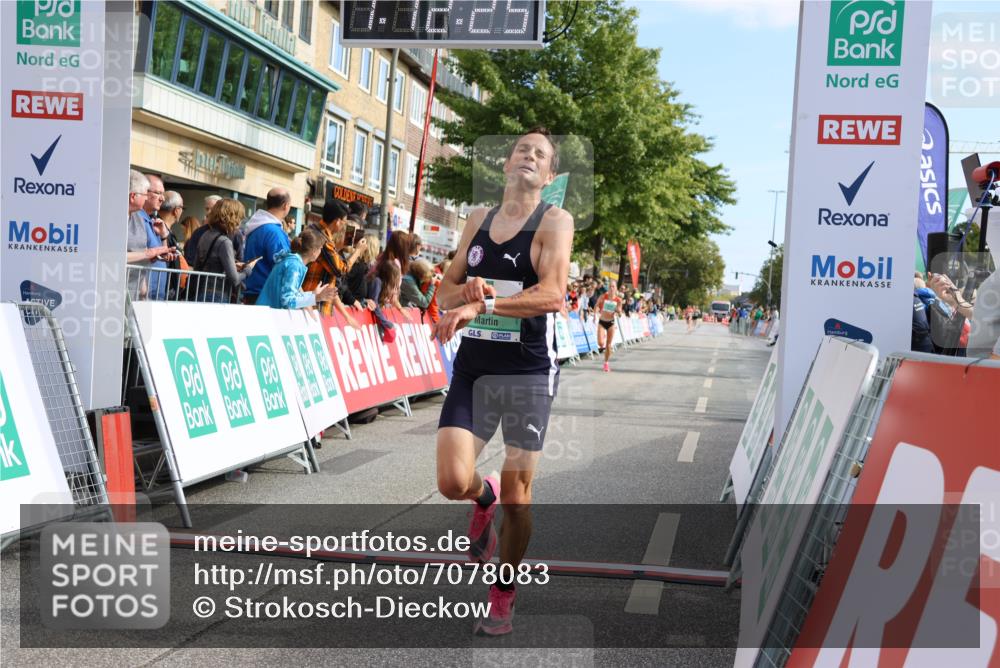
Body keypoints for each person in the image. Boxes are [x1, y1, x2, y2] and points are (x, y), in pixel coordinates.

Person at [431, 127, 574, 636]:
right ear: (507, 162)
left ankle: (503, 591)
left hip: (528, 371)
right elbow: (445, 294)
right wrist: (464, 291)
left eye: (540, 154)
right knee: (451, 483)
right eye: (521, 150)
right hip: (475, 368)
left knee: (520, 496)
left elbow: (554, 295)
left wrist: (484, 303)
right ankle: (480, 496)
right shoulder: (479, 219)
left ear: (549, 175)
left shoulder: (555, 221)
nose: (529, 157)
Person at [301, 200, 364, 326]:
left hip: (313, 304)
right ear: (337, 221)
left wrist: (347, 317)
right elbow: (340, 270)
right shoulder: (322, 239)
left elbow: (331, 285)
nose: (345, 227)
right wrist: (357, 251)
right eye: (345, 222)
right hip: (312, 306)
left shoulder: (315, 230)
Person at [191, 199, 259, 303]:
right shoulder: (224, 242)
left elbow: (198, 267)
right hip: (217, 294)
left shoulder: (205, 235)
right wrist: (248, 269)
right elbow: (235, 279)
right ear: (232, 218)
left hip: (201, 292)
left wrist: (233, 264)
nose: (240, 223)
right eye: (239, 218)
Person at [256, 229, 340, 310]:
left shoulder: (294, 262)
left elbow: (292, 296)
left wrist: (312, 294)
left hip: (268, 313)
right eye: (320, 248)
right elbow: (288, 301)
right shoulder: (294, 266)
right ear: (314, 251)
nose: (321, 252)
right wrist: (316, 298)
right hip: (267, 316)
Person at [128, 174, 177, 300]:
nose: (162, 199)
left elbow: (160, 256)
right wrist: (151, 253)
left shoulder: (153, 221)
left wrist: (164, 237)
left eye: (163, 194)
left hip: (149, 292)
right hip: (131, 291)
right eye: (158, 193)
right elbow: (144, 253)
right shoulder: (135, 217)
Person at [243, 188, 293, 305]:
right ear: (286, 206)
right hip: (267, 296)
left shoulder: (255, 227)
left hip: (252, 292)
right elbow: (285, 267)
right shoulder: (274, 232)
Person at [595, 281, 623, 371]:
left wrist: (618, 311)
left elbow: (620, 314)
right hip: (602, 321)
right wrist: (596, 312)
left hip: (611, 323)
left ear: (616, 289)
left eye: (613, 287)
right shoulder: (603, 296)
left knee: (609, 345)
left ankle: (606, 363)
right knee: (600, 343)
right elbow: (596, 305)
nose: (611, 288)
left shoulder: (618, 300)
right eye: (610, 286)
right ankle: (603, 338)